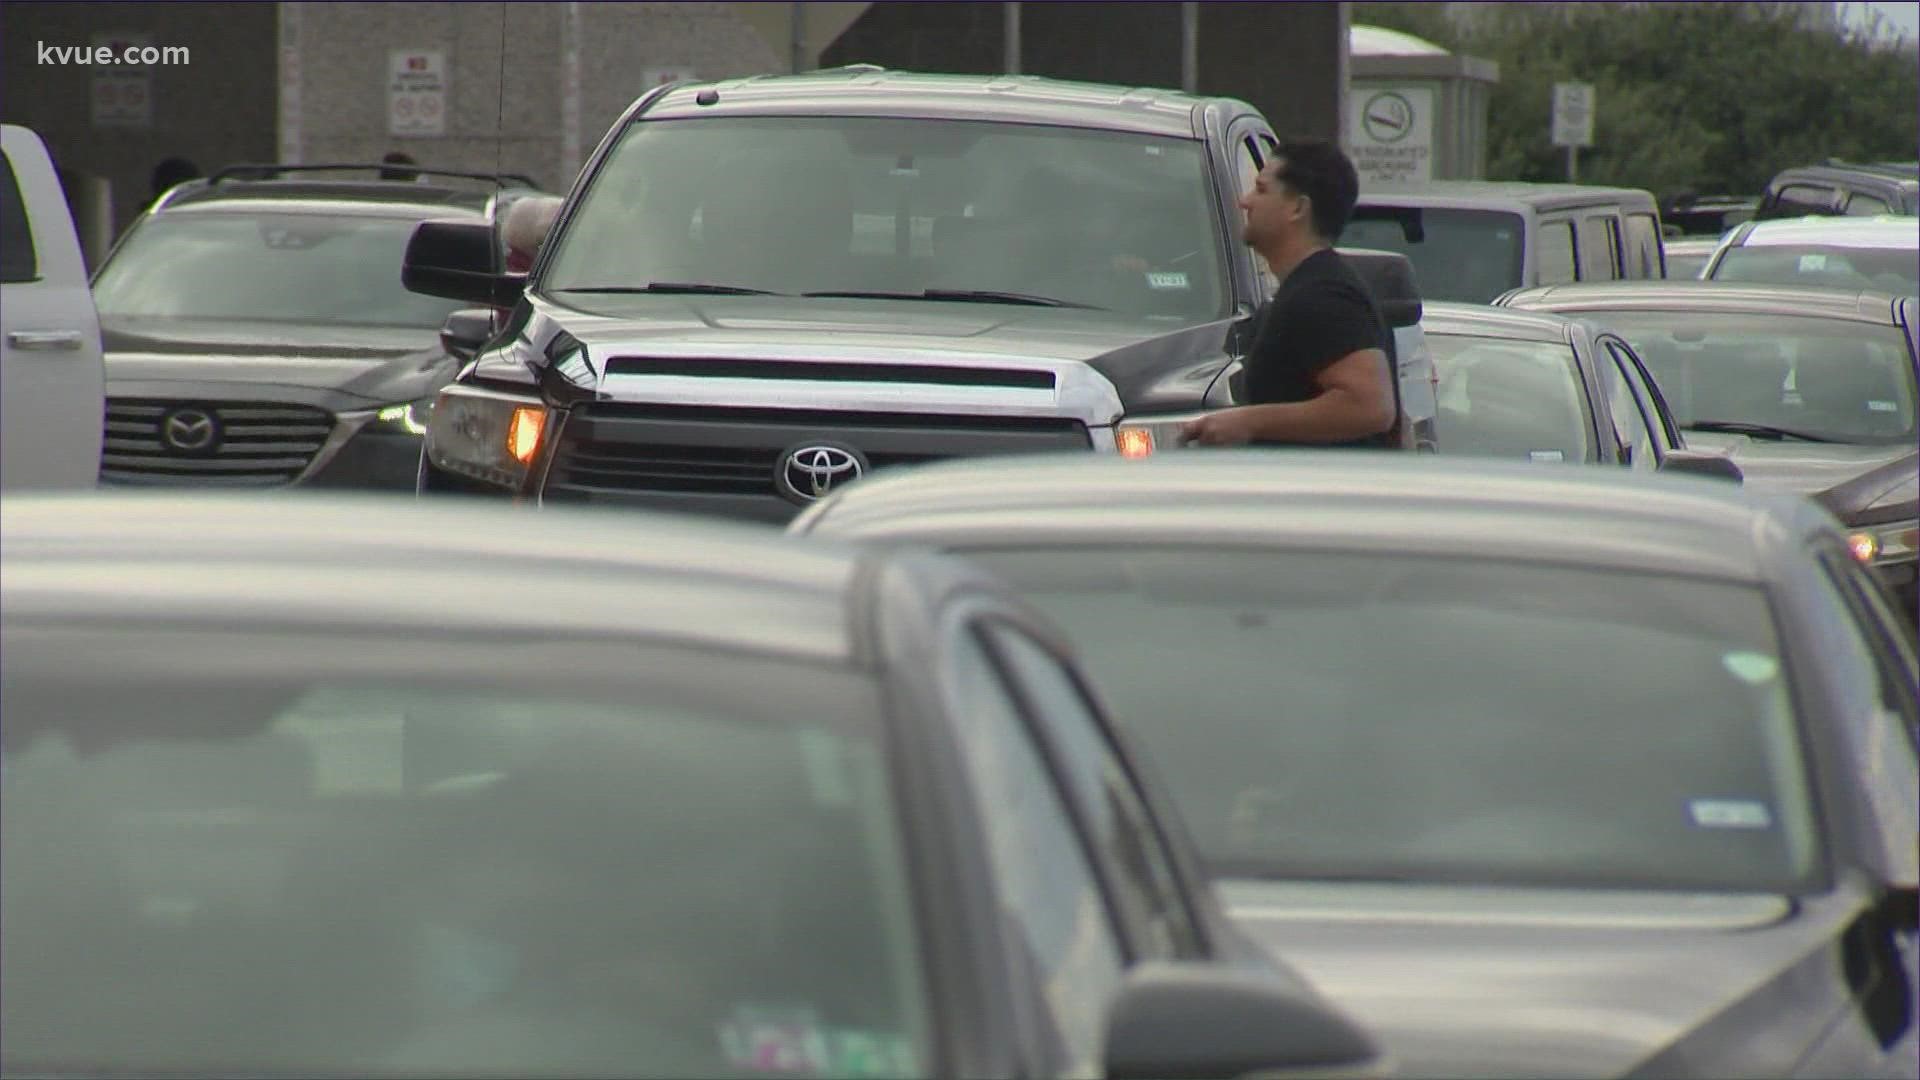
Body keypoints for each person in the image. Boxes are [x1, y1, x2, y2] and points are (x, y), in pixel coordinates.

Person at [1179, 138, 1403, 449]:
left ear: (1297, 208)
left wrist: (1246, 422)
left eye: (1260, 189)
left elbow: (1371, 407)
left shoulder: (1323, 296)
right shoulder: (1304, 290)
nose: (1245, 201)